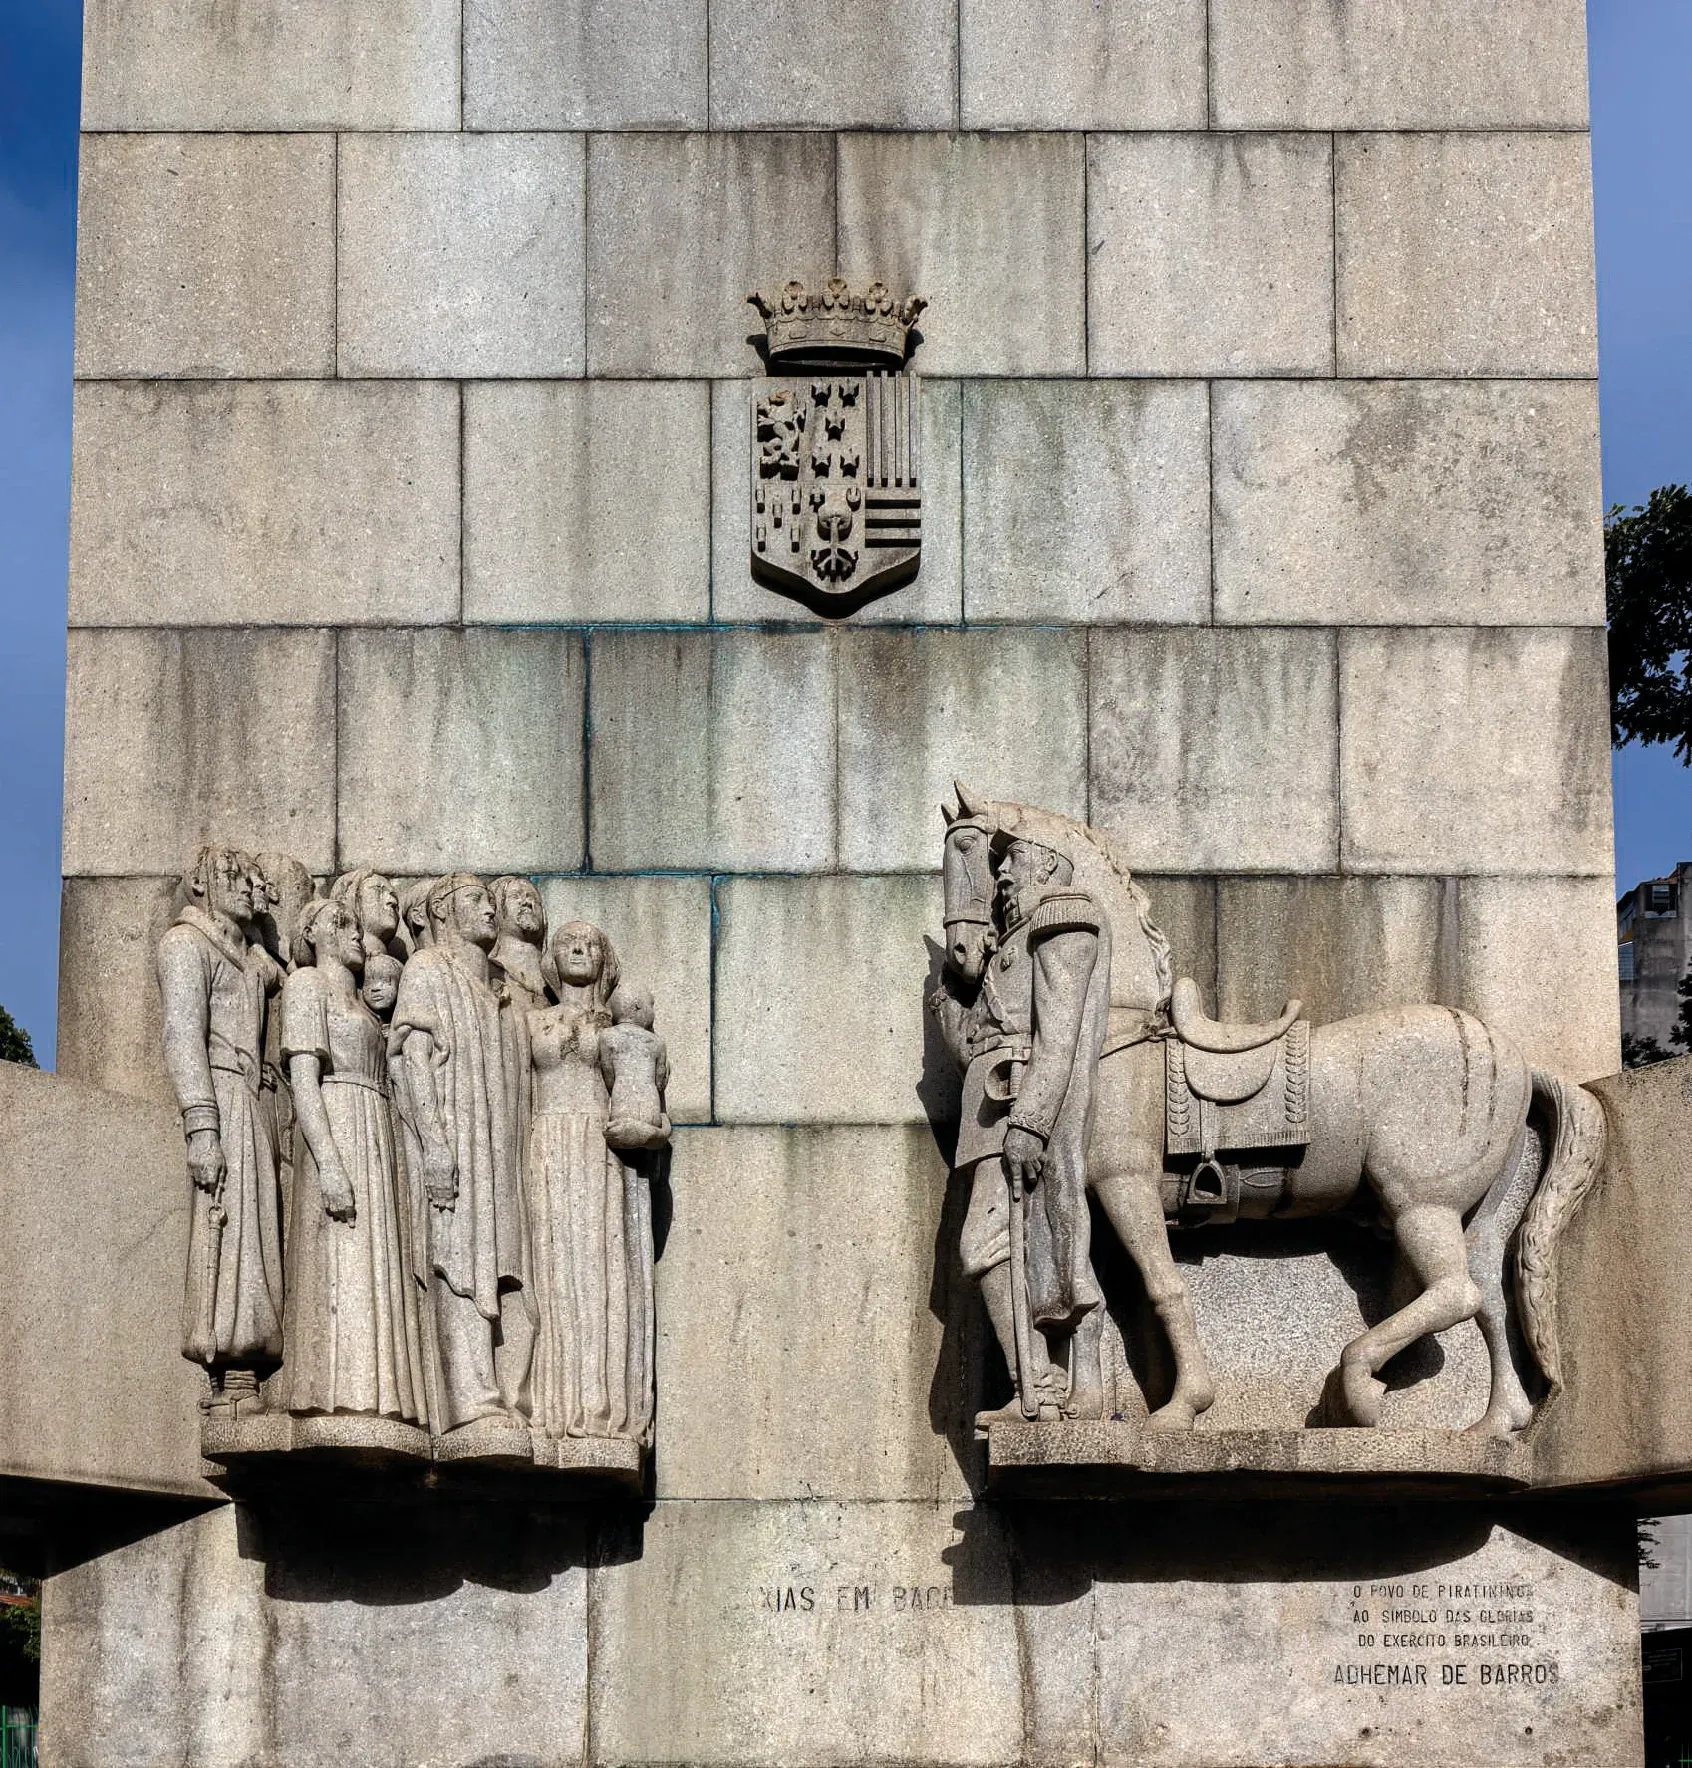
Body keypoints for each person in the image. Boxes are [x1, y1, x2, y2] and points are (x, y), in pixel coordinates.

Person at [954, 835, 1109, 1431]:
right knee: (995, 1246)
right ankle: (1039, 1384)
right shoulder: (1005, 943)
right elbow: (972, 1040)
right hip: (990, 1104)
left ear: (1044, 861)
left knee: (996, 1243)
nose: (1001, 876)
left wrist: (1032, 1122)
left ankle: (1042, 1383)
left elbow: (1062, 1032)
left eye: (1011, 861)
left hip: (1020, 1106)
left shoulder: (1063, 917)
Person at [390, 873, 533, 1434]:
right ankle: (469, 1399)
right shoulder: (428, 970)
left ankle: (501, 1390)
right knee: (459, 1258)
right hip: (455, 1139)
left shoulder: (495, 986)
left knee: (498, 1260)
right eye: (475, 899)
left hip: (497, 1147)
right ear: (445, 912)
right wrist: (434, 1144)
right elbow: (411, 1059)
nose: (489, 908)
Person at [280, 897, 425, 1423]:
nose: (354, 933)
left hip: (374, 1125)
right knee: (341, 1259)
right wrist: (330, 1165)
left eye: (353, 924)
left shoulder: (364, 1004)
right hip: (337, 1117)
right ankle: (332, 1393)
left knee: (375, 1257)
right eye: (339, 924)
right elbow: (302, 1080)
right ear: (314, 934)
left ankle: (380, 1395)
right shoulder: (306, 985)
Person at [156, 845, 285, 1416]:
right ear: (201, 884)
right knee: (228, 1233)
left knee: (255, 1237)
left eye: (248, 878)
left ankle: (248, 1364)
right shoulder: (185, 945)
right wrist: (200, 1126)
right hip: (222, 1097)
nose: (241, 884)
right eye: (228, 875)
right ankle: (227, 1374)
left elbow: (288, 968)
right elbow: (182, 1036)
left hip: (254, 1104)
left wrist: (269, 910)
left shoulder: (251, 957)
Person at [525, 922, 659, 1443]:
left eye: (592, 943)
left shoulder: (624, 1025)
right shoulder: (530, 1021)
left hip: (600, 1148)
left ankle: (601, 1404)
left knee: (601, 1266)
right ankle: (553, 1406)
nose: (579, 948)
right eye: (567, 942)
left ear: (605, 961)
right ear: (551, 960)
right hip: (547, 1145)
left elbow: (644, 1091)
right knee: (554, 1268)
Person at [600, 983, 671, 1150]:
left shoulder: (607, 1036)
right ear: (638, 1006)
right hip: (651, 1113)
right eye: (651, 1006)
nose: (653, 1013)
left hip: (621, 1110)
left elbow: (608, 1073)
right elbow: (660, 1081)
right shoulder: (657, 1042)